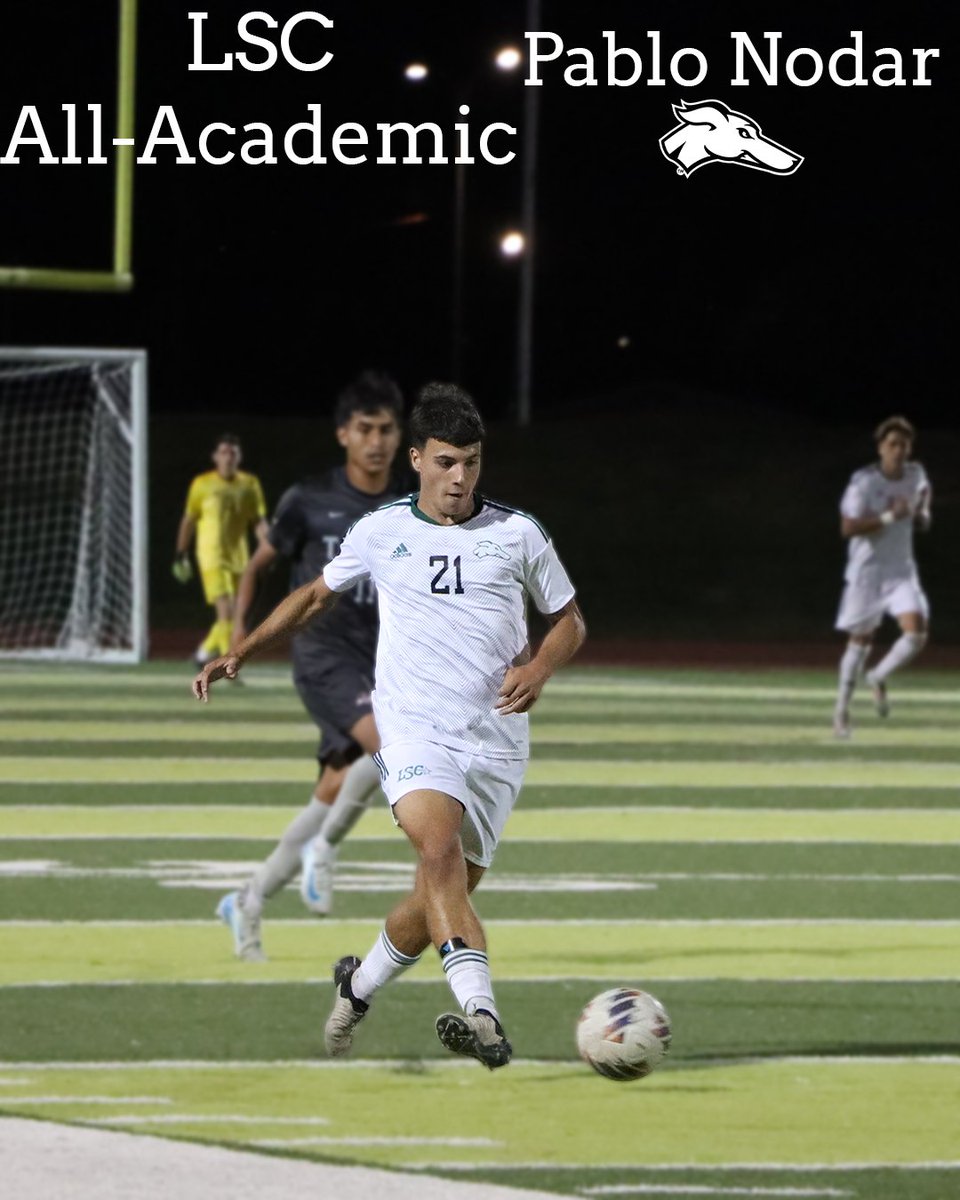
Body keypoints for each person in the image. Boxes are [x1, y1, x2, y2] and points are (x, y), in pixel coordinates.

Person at [194, 383, 585, 1068]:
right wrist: (241, 649)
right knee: (437, 853)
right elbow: (315, 593)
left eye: (470, 462)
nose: (460, 477)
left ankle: (360, 985)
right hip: (412, 727)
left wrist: (541, 669)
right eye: (445, 462)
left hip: (495, 740)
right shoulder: (382, 531)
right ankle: (484, 1015)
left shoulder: (518, 533)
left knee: (436, 895)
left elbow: (570, 623)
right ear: (416, 460)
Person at [215, 371, 406, 960]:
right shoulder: (309, 499)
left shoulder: (408, 509)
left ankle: (247, 899)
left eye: (387, 430)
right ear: (343, 434)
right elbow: (257, 565)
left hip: (380, 665)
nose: (376, 441)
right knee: (393, 747)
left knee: (333, 788)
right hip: (322, 657)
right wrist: (240, 631)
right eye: (365, 429)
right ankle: (325, 851)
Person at [833, 415, 932, 738]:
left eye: (904, 444)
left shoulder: (915, 474)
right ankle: (842, 713)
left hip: (901, 571)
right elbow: (848, 527)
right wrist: (891, 516)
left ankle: (877, 676)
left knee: (916, 632)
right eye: (892, 444)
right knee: (859, 642)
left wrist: (922, 515)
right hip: (867, 572)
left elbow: (923, 501)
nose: (899, 450)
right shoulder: (864, 482)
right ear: (880, 448)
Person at [173, 433, 268, 666]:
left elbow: (258, 520)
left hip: (240, 558)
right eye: (223, 453)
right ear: (215, 457)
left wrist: (269, 546)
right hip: (211, 557)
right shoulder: (202, 484)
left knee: (236, 616)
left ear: (239, 457)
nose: (228, 458)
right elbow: (189, 520)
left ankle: (203, 654)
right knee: (225, 613)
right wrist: (180, 552)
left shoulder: (249, 484)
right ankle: (229, 662)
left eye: (232, 453)